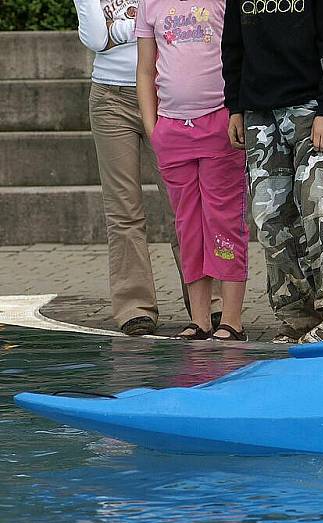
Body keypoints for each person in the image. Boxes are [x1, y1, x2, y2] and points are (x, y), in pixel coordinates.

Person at [73, 0, 221, 336]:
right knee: (123, 209)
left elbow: (177, 25)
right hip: (109, 98)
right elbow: (96, 38)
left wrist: (120, 31)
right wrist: (129, 27)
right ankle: (134, 307)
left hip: (165, 94)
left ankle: (206, 305)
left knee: (185, 204)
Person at [221, 0, 323, 344]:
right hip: (259, 114)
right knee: (270, 219)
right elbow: (233, 42)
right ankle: (297, 316)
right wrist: (235, 106)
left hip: (312, 111)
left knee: (320, 201)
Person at [136, 0, 249, 340]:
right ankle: (199, 320)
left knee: (224, 220)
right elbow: (144, 69)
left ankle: (231, 320)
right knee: (187, 225)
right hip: (172, 129)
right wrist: (153, 128)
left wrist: (235, 112)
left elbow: (238, 53)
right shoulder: (149, 4)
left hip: (218, 123)